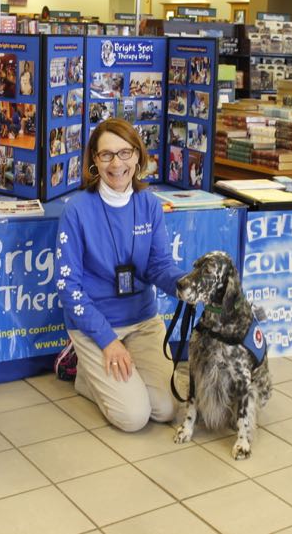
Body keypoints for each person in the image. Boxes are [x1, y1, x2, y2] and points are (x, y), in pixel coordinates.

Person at [55, 118, 185, 432]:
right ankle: (86, 372)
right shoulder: (76, 210)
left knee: (167, 408)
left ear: (139, 156)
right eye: (107, 155)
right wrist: (108, 341)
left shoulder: (150, 205)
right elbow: (68, 289)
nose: (117, 164)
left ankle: (108, 372)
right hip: (96, 325)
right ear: (94, 161)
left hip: (142, 320)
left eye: (125, 153)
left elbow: (159, 266)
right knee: (133, 417)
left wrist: (186, 284)